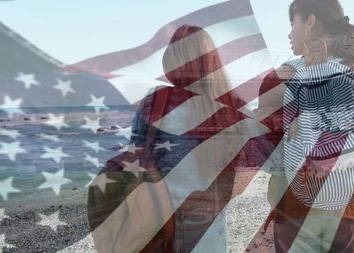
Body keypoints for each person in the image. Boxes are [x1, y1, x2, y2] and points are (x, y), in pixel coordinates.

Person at [257, 0, 354, 252]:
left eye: (293, 24)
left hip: (298, 207)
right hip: (353, 207)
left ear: (310, 22)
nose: (289, 33)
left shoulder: (284, 76)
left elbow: (266, 153)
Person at [87, 25, 245, 252]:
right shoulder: (234, 108)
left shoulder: (156, 102)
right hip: (212, 231)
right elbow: (239, 180)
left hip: (163, 226)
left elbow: (135, 162)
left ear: (172, 60)